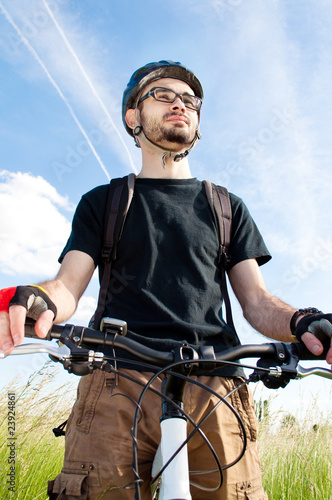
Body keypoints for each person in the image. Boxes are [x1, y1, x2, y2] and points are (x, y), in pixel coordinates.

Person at [0, 60, 331, 500]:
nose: (181, 104)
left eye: (191, 100)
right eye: (163, 95)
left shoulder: (226, 207)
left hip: (215, 384)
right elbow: (67, 286)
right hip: (116, 379)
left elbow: (257, 301)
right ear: (133, 117)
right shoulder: (104, 202)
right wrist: (38, 299)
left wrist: (305, 322)